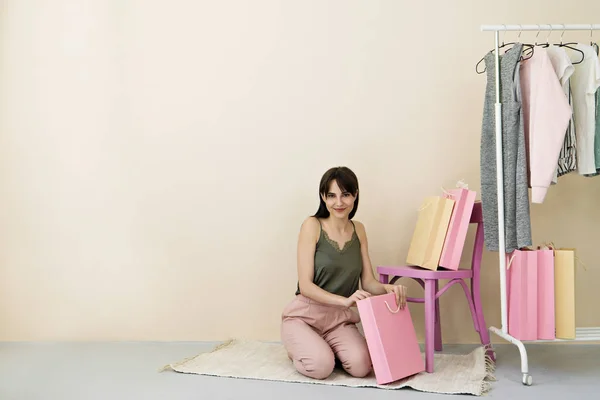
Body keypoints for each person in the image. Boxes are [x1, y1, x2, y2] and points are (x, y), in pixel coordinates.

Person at [280, 166, 407, 380]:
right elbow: (305, 285)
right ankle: (301, 348)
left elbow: (367, 282)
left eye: (345, 195)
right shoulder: (312, 225)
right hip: (305, 316)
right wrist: (344, 301)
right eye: (331, 196)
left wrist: (388, 288)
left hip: (339, 320)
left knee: (362, 367)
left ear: (355, 195)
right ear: (323, 197)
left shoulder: (359, 229)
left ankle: (326, 348)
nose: (339, 203)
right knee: (321, 367)